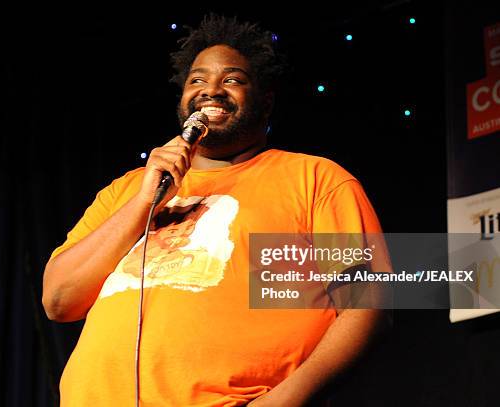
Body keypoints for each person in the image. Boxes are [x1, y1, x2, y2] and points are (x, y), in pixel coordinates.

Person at [43, 14, 387, 406]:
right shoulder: (128, 190)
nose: (212, 91)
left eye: (233, 80)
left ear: (266, 101)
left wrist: (284, 401)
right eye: (198, 80)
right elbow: (58, 299)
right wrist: (143, 201)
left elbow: (368, 306)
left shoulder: (315, 179)